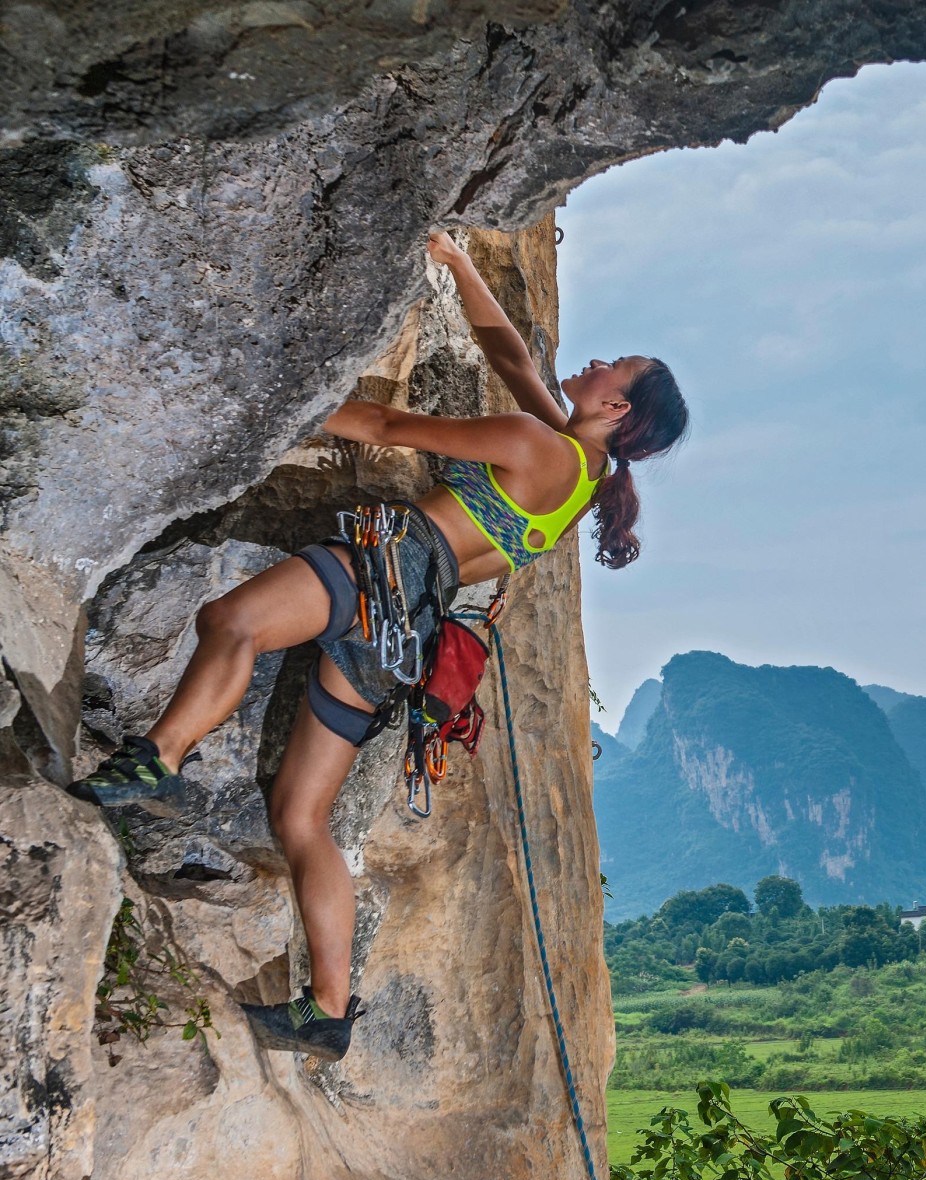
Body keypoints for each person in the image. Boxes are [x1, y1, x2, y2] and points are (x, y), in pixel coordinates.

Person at [68, 230, 689, 1061]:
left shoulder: (538, 442)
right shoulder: (579, 477)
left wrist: (273, 407)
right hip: (406, 637)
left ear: (619, 407)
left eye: (616, 366)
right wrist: (461, 264)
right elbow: (515, 363)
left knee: (232, 622)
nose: (598, 362)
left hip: (380, 569)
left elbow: (391, 422)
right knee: (301, 815)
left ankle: (160, 754)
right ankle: (328, 1011)